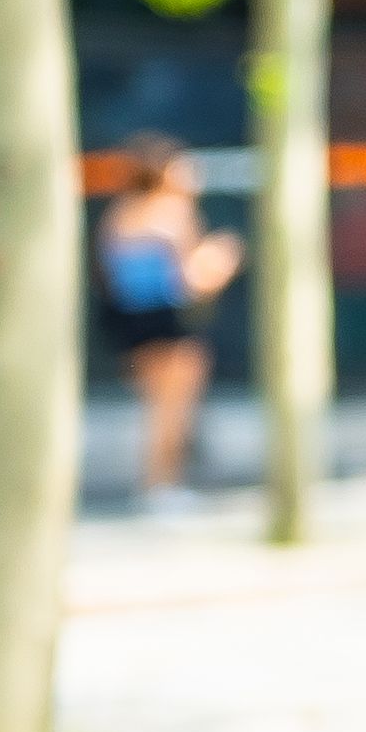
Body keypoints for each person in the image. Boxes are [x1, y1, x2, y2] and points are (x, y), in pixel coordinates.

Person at [97, 137, 240, 505]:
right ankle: (162, 485)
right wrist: (220, 260)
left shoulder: (118, 214)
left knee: (156, 408)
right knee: (173, 409)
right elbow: (189, 280)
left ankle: (156, 483)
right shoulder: (175, 212)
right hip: (168, 320)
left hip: (129, 321)